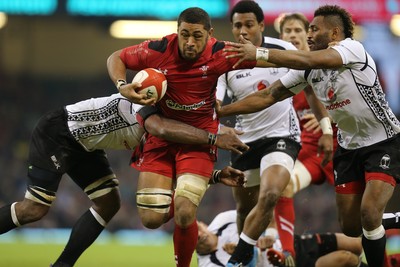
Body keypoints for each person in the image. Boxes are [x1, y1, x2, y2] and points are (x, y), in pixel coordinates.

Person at [220, 4, 400, 267]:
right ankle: (393, 218)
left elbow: (308, 58)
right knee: (351, 227)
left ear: (335, 33)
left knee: (370, 213)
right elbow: (267, 96)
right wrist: (221, 111)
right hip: (348, 148)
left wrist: (258, 53)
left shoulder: (352, 49)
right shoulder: (307, 70)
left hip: (383, 141)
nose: (309, 34)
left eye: (315, 29)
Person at [105, 6, 283, 267]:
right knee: (151, 219)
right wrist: (123, 86)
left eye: (197, 36)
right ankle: (203, 182)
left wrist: (311, 63)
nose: (189, 42)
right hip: (161, 141)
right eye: (184, 34)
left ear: (209, 34)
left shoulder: (222, 52)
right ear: (177, 31)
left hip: (200, 141)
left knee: (186, 212)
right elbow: (116, 57)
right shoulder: (158, 49)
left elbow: (276, 60)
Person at [0, 92, 249, 267]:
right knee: (33, 209)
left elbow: (172, 171)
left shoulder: (169, 120)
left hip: (86, 146)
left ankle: (63, 264)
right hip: (58, 132)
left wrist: (214, 174)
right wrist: (214, 139)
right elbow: (165, 138)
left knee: (110, 203)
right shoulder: (154, 116)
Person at [215, 1, 302, 266]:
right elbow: (214, 106)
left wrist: (323, 126)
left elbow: (308, 79)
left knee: (271, 194)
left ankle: (239, 257)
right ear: (232, 28)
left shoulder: (283, 50)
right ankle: (250, 259)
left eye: (249, 25)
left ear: (261, 26)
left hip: (282, 136)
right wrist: (219, 123)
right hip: (244, 142)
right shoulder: (223, 62)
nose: (243, 31)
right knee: (244, 208)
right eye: (238, 25)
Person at [269, 12, 340, 266]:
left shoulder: (328, 64)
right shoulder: (278, 74)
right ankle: (287, 252)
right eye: (287, 32)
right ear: (281, 38)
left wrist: (328, 119)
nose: (293, 35)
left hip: (341, 149)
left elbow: (352, 102)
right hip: (306, 153)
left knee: (361, 216)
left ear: (308, 35)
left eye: (298, 30)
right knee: (274, 189)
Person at [196, 209, 369, 267]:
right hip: (283, 265)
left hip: (292, 244)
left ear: (202, 223)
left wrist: (270, 234)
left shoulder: (222, 220)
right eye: (193, 237)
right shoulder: (209, 264)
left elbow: (266, 214)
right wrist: (244, 252)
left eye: (197, 228)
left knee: (356, 244)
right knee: (346, 258)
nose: (199, 234)